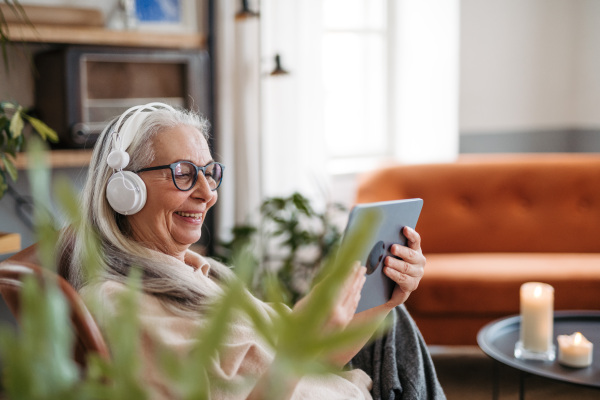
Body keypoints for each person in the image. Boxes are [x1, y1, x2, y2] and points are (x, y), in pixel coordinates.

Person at [57, 102, 446, 400]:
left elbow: (308, 356)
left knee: (392, 320)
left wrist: (385, 298)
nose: (207, 193)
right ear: (124, 191)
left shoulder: (202, 271)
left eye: (210, 173)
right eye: (183, 174)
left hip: (331, 385)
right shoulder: (119, 302)